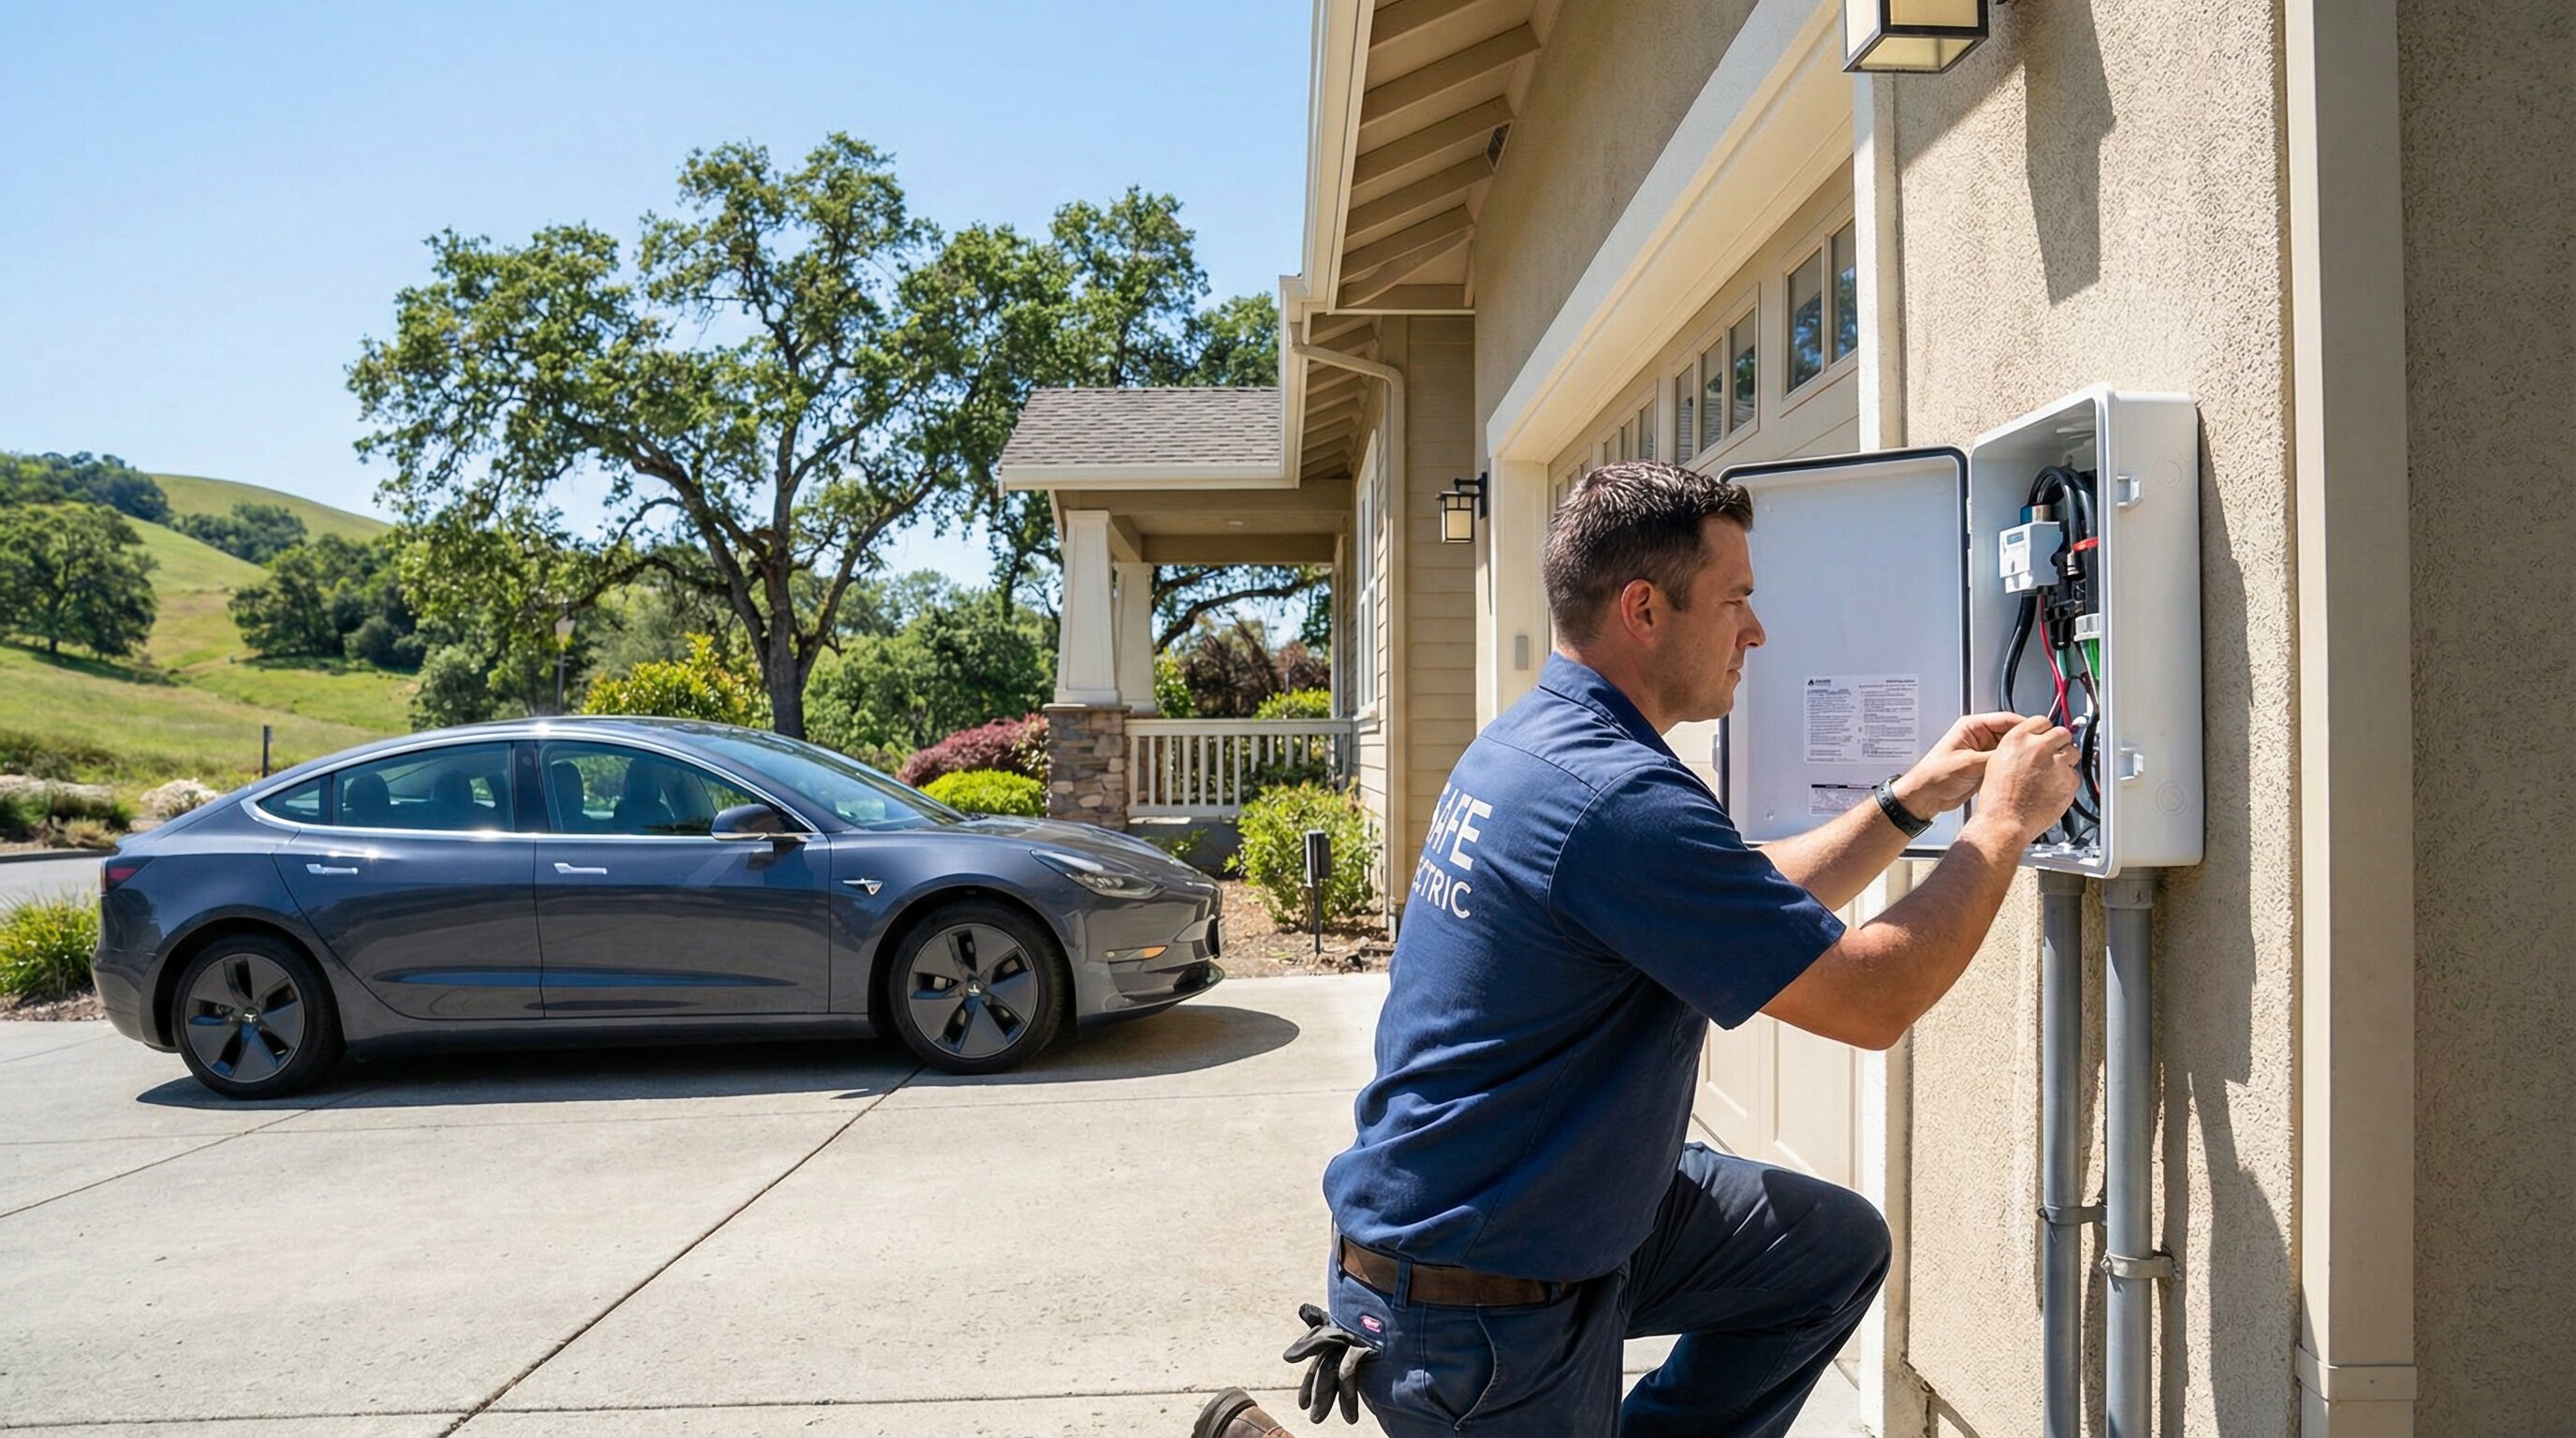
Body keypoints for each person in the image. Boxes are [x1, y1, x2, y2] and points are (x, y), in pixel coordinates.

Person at [1195, 461, 2083, 1438]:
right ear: (1644, 609)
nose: (1756, 630)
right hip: (1478, 1302)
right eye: (1734, 600)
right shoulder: (1614, 797)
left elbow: (1736, 898)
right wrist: (2002, 824)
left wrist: (1907, 802)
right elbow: (1872, 1001)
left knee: (1824, 1252)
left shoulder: (1538, 744)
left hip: (1542, 1211)